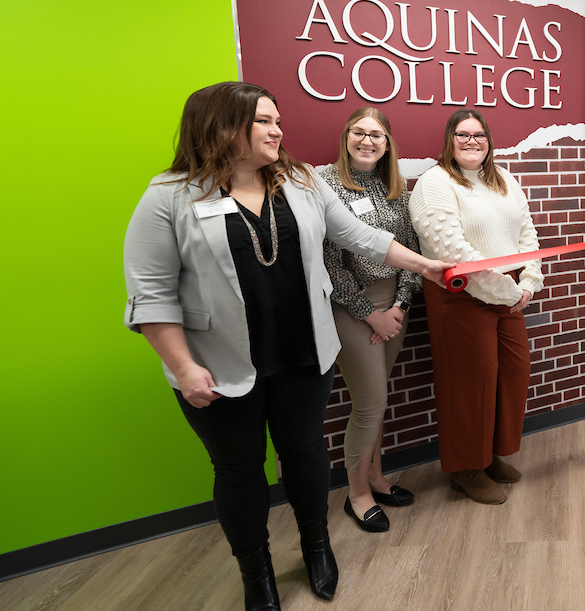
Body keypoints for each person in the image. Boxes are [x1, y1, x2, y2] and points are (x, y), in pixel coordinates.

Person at [123, 83, 448, 611]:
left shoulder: (299, 181)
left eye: (279, 121)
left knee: (305, 456)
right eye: (266, 122)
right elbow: (150, 295)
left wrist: (421, 264)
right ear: (224, 126)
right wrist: (182, 366)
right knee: (240, 472)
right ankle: (257, 576)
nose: (279, 131)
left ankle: (318, 548)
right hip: (219, 367)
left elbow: (358, 235)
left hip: (304, 352)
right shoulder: (169, 196)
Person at [409, 109, 543, 506]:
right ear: (450, 140)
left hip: (509, 293)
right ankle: (466, 469)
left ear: (489, 140)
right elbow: (452, 251)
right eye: (463, 135)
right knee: (472, 382)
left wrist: (529, 280)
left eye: (479, 135)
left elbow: (527, 232)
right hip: (462, 298)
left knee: (513, 372)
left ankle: (490, 456)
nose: (472, 142)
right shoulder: (434, 183)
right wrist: (506, 290)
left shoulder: (501, 179)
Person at [318, 108, 421, 534]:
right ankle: (356, 494)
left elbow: (411, 250)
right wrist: (370, 314)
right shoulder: (323, 184)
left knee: (378, 399)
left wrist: (398, 305)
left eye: (376, 135)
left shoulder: (394, 186)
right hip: (350, 308)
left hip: (394, 308)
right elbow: (328, 262)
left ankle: (376, 479)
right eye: (359, 132)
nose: (367, 141)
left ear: (387, 142)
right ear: (346, 136)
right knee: (370, 404)